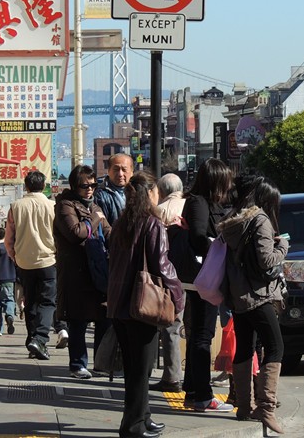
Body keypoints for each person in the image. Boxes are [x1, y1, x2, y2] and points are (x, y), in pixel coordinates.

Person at [107, 171, 185, 438]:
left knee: (133, 368)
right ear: (152, 193)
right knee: (142, 370)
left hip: (119, 304)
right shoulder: (152, 224)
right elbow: (162, 265)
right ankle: (134, 425)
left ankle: (143, 417)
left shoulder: (121, 223)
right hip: (142, 304)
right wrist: (177, 296)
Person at [218, 176, 288, 433]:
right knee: (276, 347)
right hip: (259, 296)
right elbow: (267, 260)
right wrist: (284, 247)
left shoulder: (233, 221)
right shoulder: (260, 220)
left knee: (245, 349)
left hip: (238, 296)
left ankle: (244, 406)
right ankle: (266, 407)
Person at [181, 158, 235, 412]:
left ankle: (193, 390)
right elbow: (199, 238)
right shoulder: (199, 203)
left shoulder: (202, 202)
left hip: (203, 276)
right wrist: (220, 245)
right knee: (203, 334)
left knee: (198, 334)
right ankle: (202, 395)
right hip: (204, 277)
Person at [54, 164, 112, 379]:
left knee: (103, 317)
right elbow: (76, 232)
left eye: (93, 185)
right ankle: (78, 365)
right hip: (76, 271)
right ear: (74, 186)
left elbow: (109, 233)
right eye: (84, 186)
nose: (89, 190)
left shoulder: (94, 206)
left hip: (97, 269)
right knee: (78, 319)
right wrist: (95, 217)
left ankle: (102, 363)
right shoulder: (65, 206)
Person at [5, 170, 56, 361]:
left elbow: (9, 238)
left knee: (30, 302)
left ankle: (32, 339)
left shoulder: (16, 206)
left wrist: (14, 256)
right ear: (44, 185)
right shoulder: (52, 206)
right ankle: (40, 338)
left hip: (24, 261)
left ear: (26, 186)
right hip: (48, 260)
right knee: (48, 302)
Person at [149, 173, 185, 393]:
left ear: (160, 191)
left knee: (171, 328)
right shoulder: (190, 207)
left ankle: (172, 376)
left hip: (170, 277)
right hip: (195, 276)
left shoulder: (159, 211)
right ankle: (191, 377)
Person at [95, 152, 134, 226]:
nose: (120, 174)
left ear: (132, 172)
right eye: (116, 169)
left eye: (124, 170)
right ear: (108, 171)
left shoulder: (138, 192)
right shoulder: (100, 196)